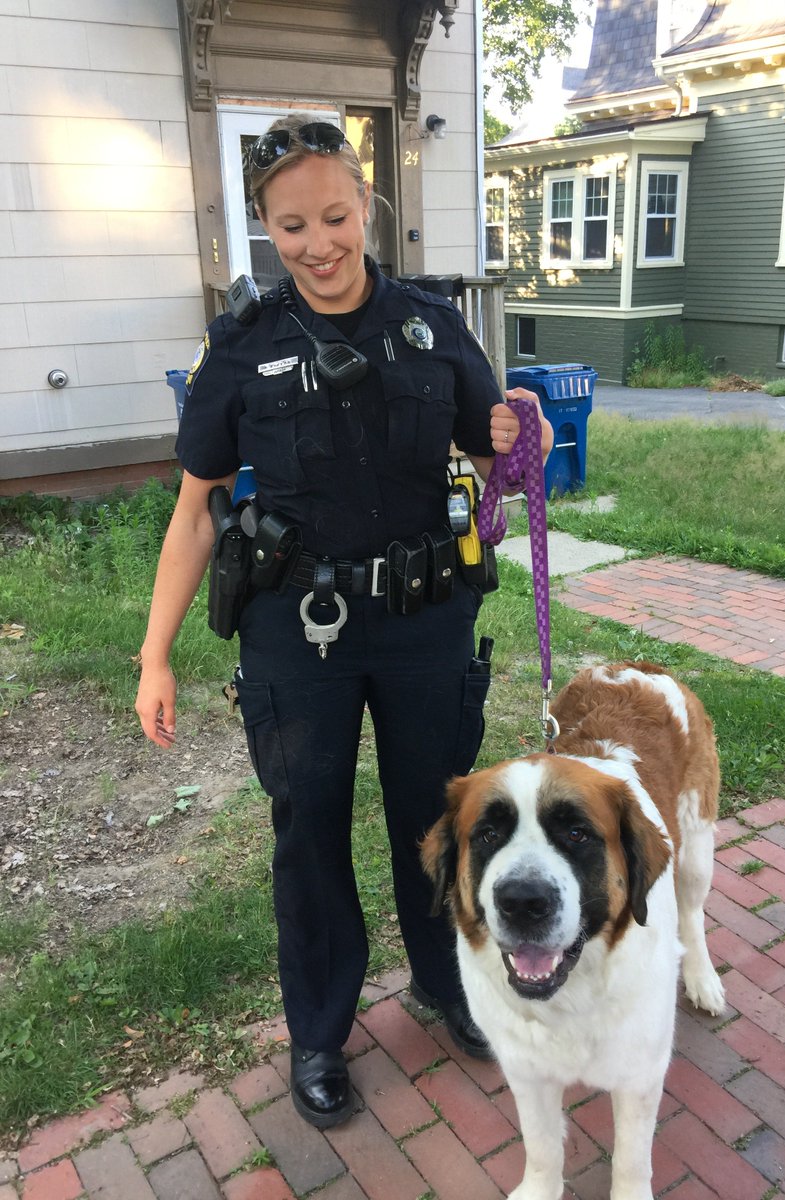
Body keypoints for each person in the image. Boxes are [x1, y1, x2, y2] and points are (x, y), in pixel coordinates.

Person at [135, 115, 553, 1130]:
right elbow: (197, 510)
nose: (318, 243)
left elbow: (493, 448)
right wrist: (154, 656)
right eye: (291, 227)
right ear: (264, 232)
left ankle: (448, 991)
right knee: (307, 833)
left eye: (334, 215)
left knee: (438, 822)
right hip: (297, 634)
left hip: (423, 626)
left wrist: (514, 429)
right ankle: (320, 1035)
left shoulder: (429, 324)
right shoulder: (240, 347)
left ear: (365, 206)